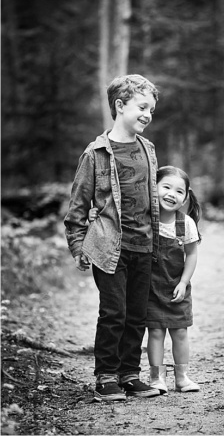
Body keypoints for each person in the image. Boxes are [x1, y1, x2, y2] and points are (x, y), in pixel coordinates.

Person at [64, 74, 162, 401]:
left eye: (152, 109)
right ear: (120, 106)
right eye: (142, 107)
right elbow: (78, 206)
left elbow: (152, 199)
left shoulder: (148, 149)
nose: (148, 114)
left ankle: (129, 374)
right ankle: (105, 375)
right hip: (109, 249)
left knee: (137, 314)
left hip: (144, 246)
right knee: (114, 313)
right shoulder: (95, 154)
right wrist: (79, 247)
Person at [143, 166, 203, 393]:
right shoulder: (144, 219)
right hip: (150, 288)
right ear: (153, 187)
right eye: (166, 187)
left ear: (186, 197)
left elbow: (192, 254)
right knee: (156, 332)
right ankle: (156, 378)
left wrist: (184, 282)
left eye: (179, 191)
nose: (172, 194)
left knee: (179, 332)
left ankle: (182, 377)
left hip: (177, 287)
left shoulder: (185, 223)